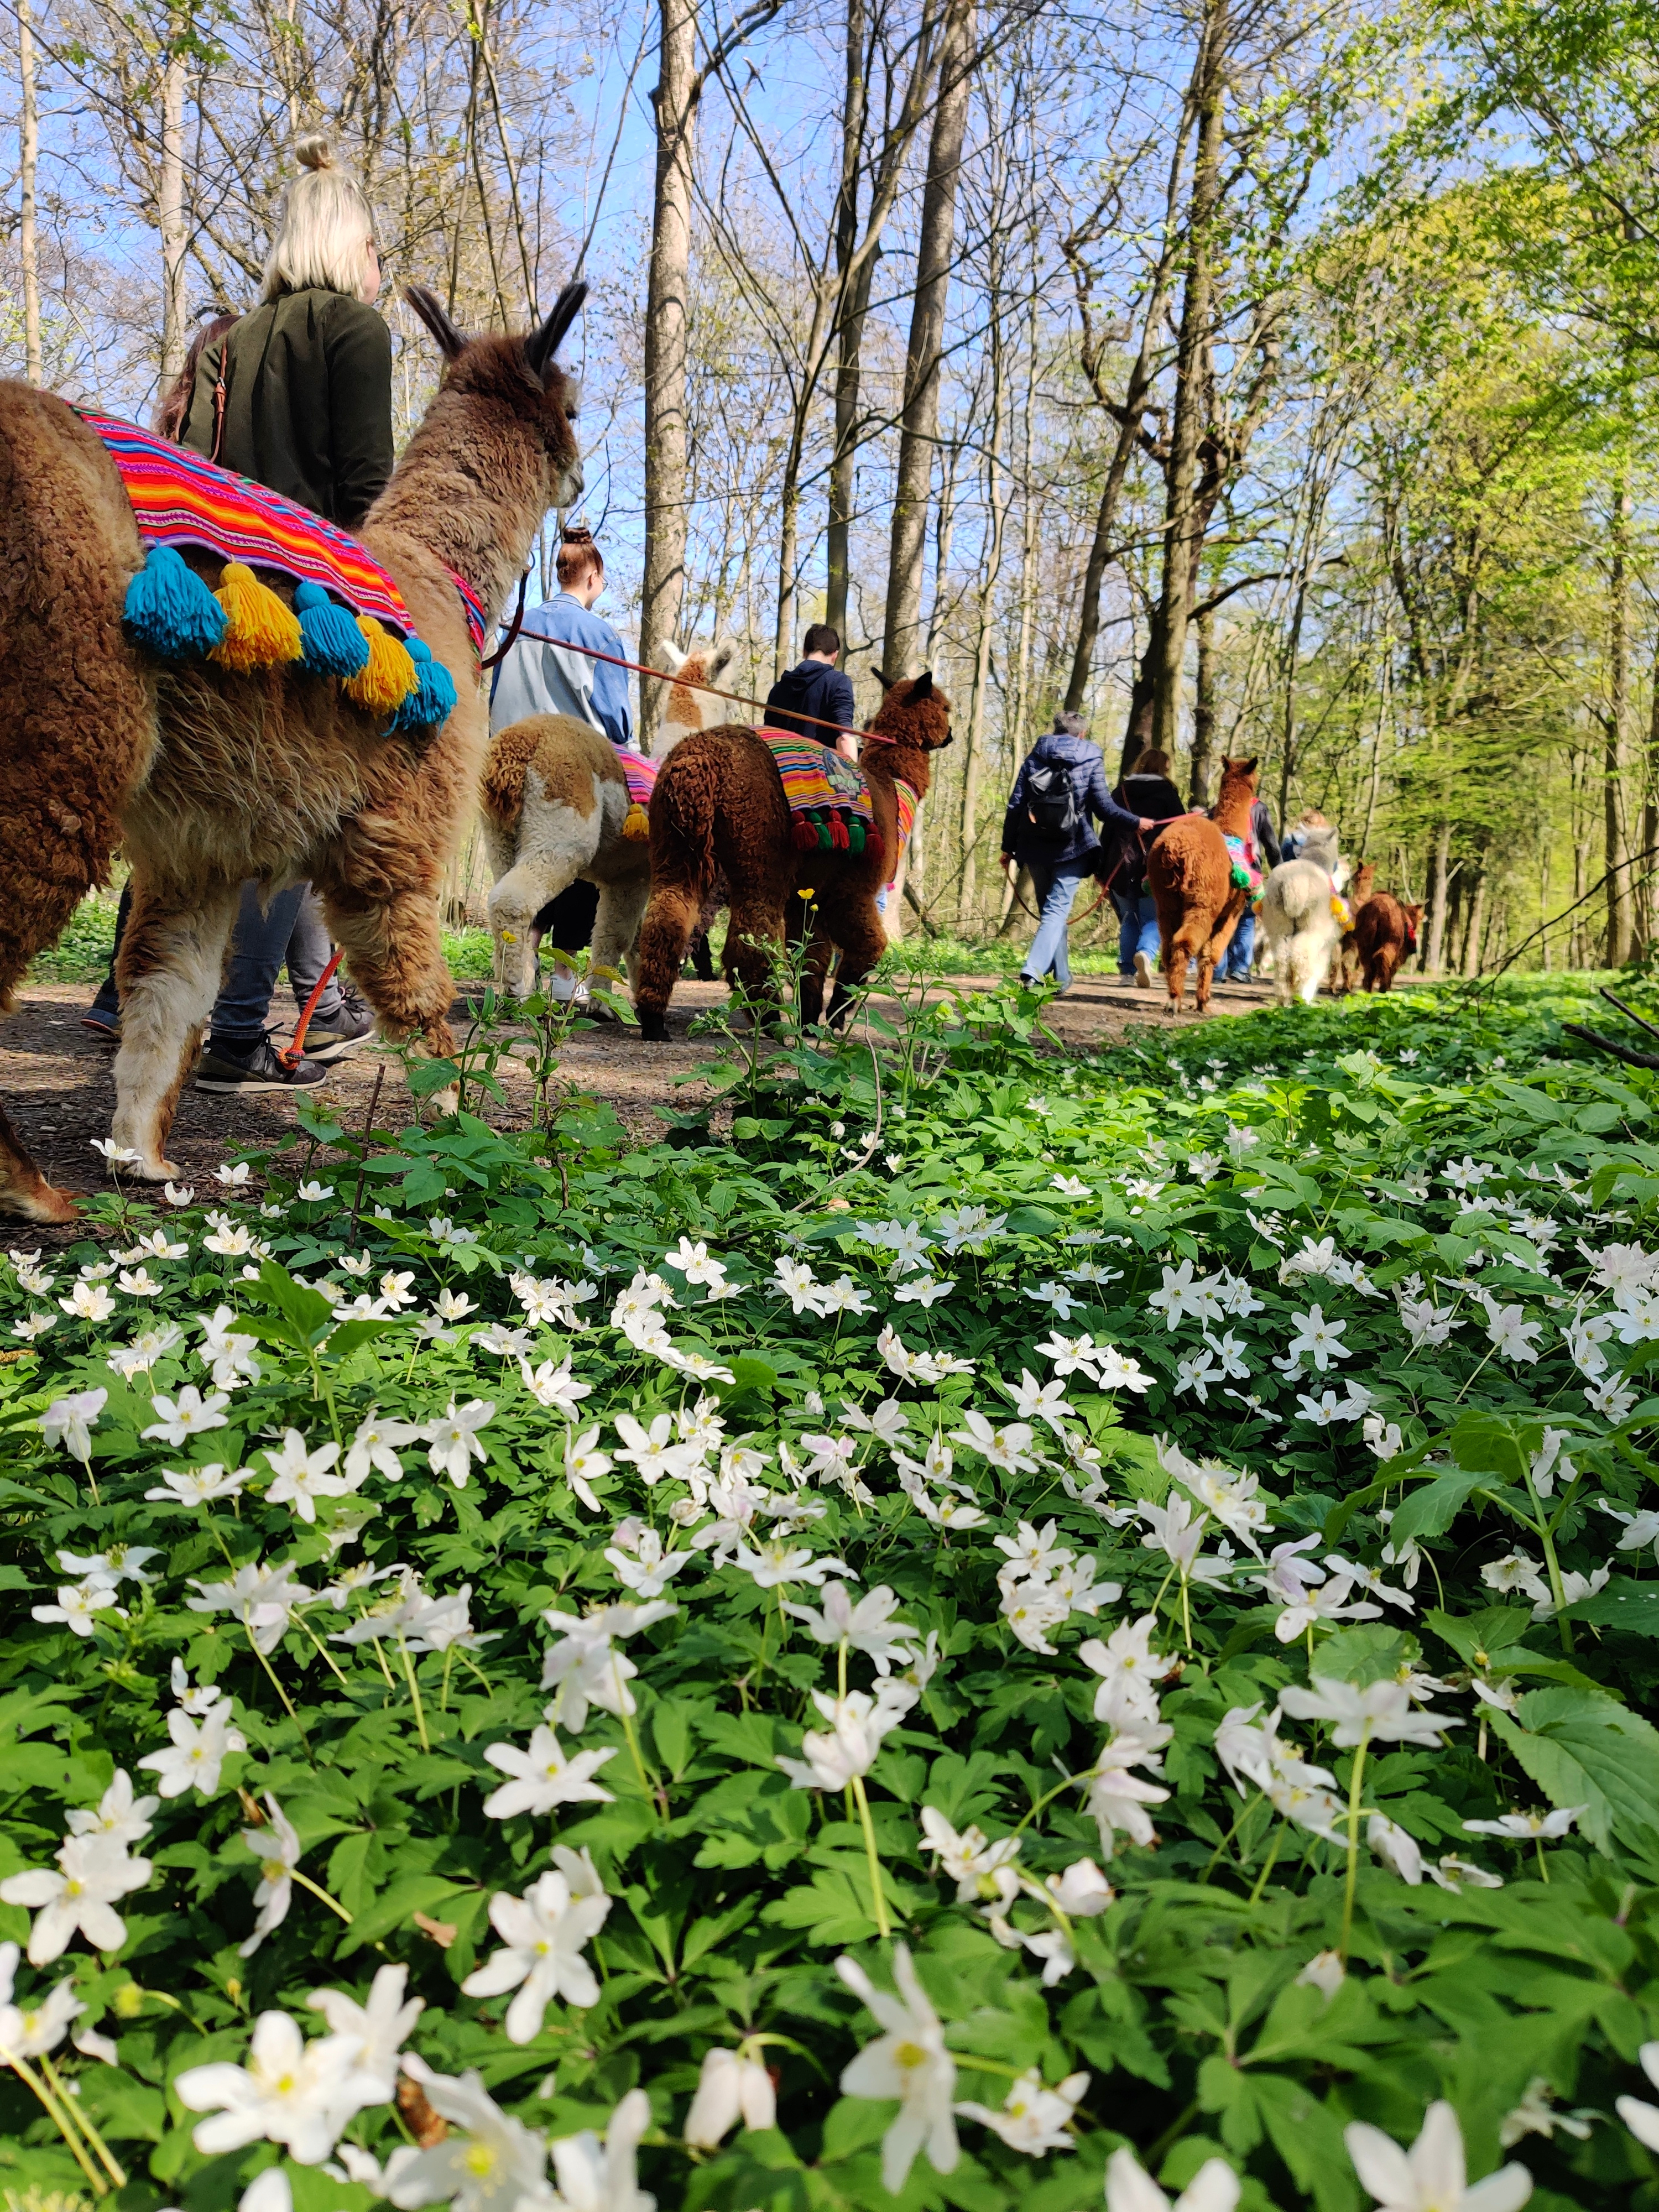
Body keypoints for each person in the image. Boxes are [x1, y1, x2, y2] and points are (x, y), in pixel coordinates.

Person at [82, 275, 374, 1075]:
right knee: (269, 821)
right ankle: (242, 1025)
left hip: (207, 585)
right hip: (261, 595)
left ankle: (287, 1006)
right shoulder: (232, 456)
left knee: (185, 816)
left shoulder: (186, 432)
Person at [487, 526, 640, 997]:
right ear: (592, 576)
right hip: (570, 761)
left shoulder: (517, 625)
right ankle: (564, 976)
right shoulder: (598, 633)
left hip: (503, 756)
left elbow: (495, 694)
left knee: (520, 862)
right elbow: (614, 714)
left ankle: (517, 969)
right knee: (578, 863)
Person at [1000, 711, 1154, 994]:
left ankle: (1060, 979)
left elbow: (1015, 806)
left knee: (1052, 913)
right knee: (1055, 913)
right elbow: (1104, 808)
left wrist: (1007, 848)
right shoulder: (1091, 758)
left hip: (1034, 848)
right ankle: (1033, 970)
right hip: (1073, 848)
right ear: (1082, 734)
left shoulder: (1035, 757)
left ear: (1055, 730)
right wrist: (1137, 823)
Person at [1109, 747, 1186, 988]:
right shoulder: (1167, 793)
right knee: (1153, 917)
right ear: (1165, 767)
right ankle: (1146, 952)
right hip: (1154, 865)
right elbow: (1180, 831)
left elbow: (1108, 831)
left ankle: (1126, 973)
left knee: (1129, 918)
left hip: (1119, 864)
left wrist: (1102, 867)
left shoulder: (1119, 792)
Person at [765, 624, 858, 755]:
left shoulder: (778, 689)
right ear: (835, 655)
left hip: (782, 772)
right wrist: (854, 774)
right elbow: (844, 737)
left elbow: (768, 739)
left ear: (804, 651)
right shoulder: (838, 682)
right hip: (820, 773)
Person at [1220, 794, 1281, 983]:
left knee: (1221, 919)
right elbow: (1271, 845)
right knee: (1246, 920)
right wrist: (1279, 870)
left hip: (1223, 870)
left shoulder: (1221, 806)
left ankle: (1217, 970)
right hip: (1250, 871)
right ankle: (1240, 968)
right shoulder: (1259, 808)